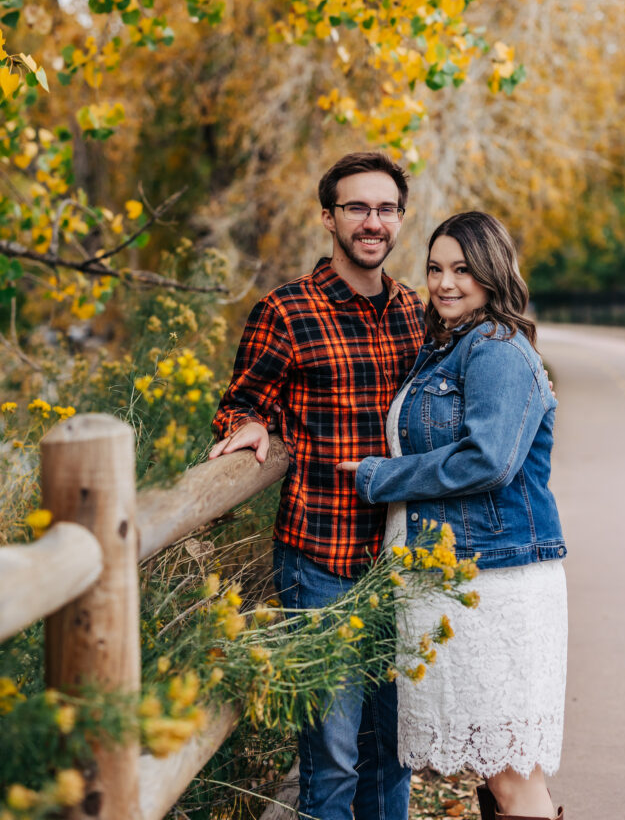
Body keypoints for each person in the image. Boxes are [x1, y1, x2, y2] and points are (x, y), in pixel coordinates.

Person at [209, 151, 425, 820]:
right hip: (320, 558)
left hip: (401, 561)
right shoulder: (285, 311)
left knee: (392, 752)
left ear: (398, 220)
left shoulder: (415, 312)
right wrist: (247, 427)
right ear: (327, 217)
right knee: (331, 761)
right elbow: (240, 400)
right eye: (357, 207)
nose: (372, 222)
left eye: (385, 209)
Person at [338, 211, 567, 820]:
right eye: (436, 269)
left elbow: (487, 461)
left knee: (514, 777)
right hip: (463, 578)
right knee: (498, 778)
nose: (445, 283)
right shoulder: (452, 346)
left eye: (463, 270)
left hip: (495, 582)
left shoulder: (495, 349)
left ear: (492, 274)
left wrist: (378, 477)